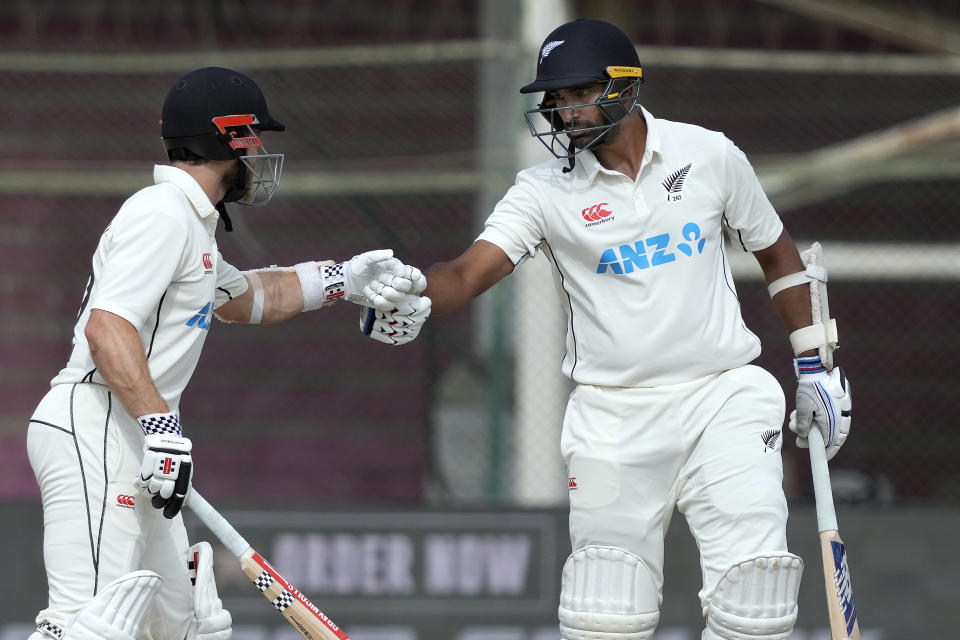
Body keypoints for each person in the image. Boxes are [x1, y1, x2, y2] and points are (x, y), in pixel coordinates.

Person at [382, 19, 852, 640]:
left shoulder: (707, 153)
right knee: (604, 614)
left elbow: (778, 255)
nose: (565, 112)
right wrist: (413, 289)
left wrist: (815, 367)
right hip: (610, 419)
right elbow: (465, 275)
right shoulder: (542, 192)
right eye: (555, 99)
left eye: (579, 93)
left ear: (626, 88)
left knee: (754, 602)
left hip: (724, 399)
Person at [25, 66, 428, 640]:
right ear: (229, 139)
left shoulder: (191, 227)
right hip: (93, 426)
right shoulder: (162, 213)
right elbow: (106, 328)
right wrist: (160, 424)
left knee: (182, 629)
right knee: (88, 628)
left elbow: (252, 297)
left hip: (135, 434)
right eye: (255, 139)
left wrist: (343, 278)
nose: (260, 154)